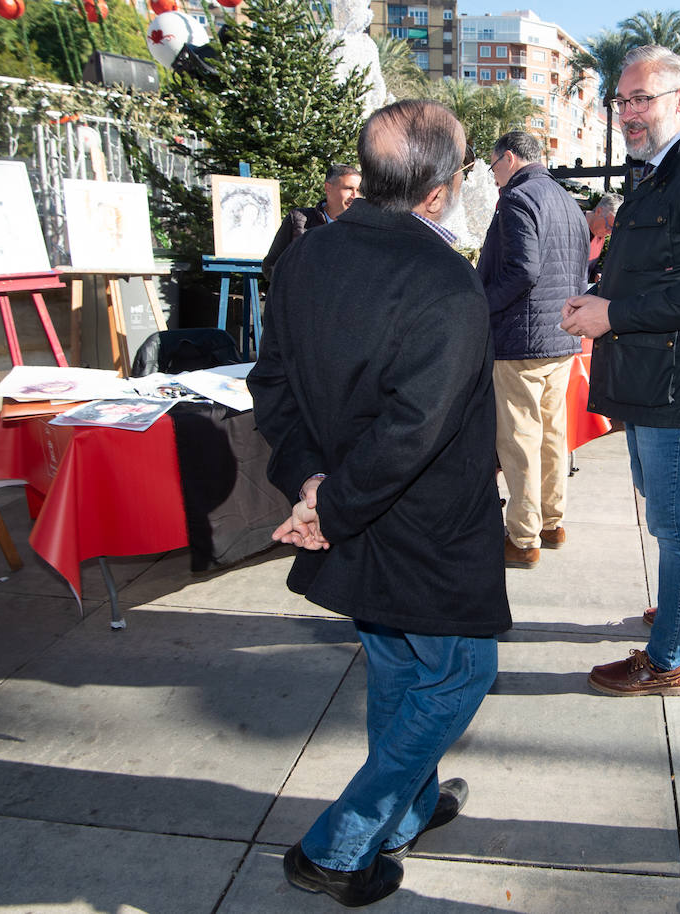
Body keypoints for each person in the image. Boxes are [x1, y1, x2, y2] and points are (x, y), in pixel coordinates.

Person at [248, 99, 510, 909]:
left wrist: (312, 485)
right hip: (420, 524)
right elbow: (412, 428)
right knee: (462, 671)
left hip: (350, 508)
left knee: (400, 667)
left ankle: (407, 812)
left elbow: (273, 387)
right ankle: (341, 843)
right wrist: (328, 504)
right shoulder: (446, 281)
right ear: (439, 190)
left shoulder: (307, 255)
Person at [560, 44, 680, 698]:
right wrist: (601, 299)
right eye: (623, 100)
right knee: (663, 506)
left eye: (643, 99)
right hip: (651, 379)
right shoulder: (659, 170)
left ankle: (668, 659)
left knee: (674, 525)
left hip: (679, 385)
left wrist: (611, 313)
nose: (630, 113)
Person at [477, 130, 590, 569]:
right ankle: (551, 522)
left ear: (508, 158)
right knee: (552, 435)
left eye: (493, 166)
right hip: (560, 338)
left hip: (521, 339)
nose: (493, 176)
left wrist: (478, 306)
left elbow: (522, 270)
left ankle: (523, 538)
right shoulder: (565, 200)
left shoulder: (518, 199)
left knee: (520, 440)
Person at [260, 163, 361, 280]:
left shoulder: (361, 228)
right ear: (328, 188)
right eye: (348, 188)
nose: (355, 196)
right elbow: (271, 265)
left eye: (358, 190)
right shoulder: (299, 220)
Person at [586, 192, 623, 283]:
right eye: (609, 226)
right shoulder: (574, 226)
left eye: (613, 230)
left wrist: (596, 274)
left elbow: (589, 267)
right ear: (598, 211)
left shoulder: (599, 235)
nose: (609, 233)